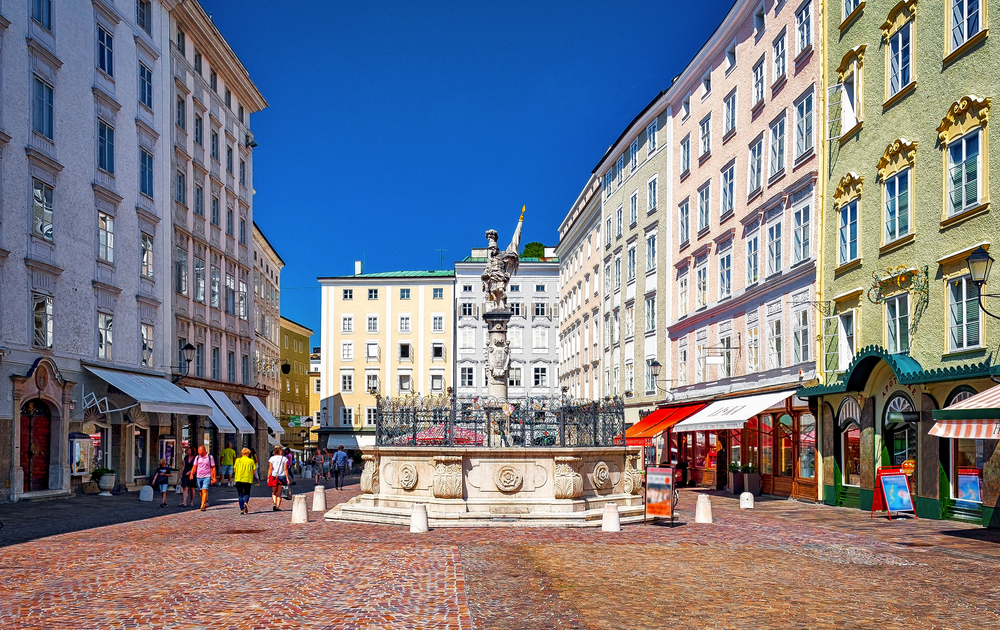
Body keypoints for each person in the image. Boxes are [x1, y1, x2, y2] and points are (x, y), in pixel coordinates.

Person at [188, 445, 216, 511]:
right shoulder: (197, 457)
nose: (198, 452)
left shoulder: (209, 457)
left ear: (203, 450)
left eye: (199, 450)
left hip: (207, 476)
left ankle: (202, 505)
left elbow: (213, 467)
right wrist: (191, 474)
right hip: (199, 476)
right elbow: (194, 466)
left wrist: (213, 477)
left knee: (204, 490)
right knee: (201, 491)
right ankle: (205, 502)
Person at [234, 448, 257, 515]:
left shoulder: (238, 460)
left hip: (239, 479)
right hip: (247, 479)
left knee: (240, 494)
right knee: (247, 493)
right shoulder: (251, 461)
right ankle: (246, 502)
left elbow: (234, 470)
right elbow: (254, 471)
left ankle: (241, 509)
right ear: (248, 454)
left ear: (241, 453)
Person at [267, 445, 289, 511]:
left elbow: (270, 468)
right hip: (282, 476)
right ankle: (277, 507)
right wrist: (287, 478)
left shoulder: (272, 458)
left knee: (274, 492)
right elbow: (285, 469)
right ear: (280, 451)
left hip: (274, 476)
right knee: (279, 493)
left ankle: (274, 503)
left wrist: (268, 477)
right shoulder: (284, 458)